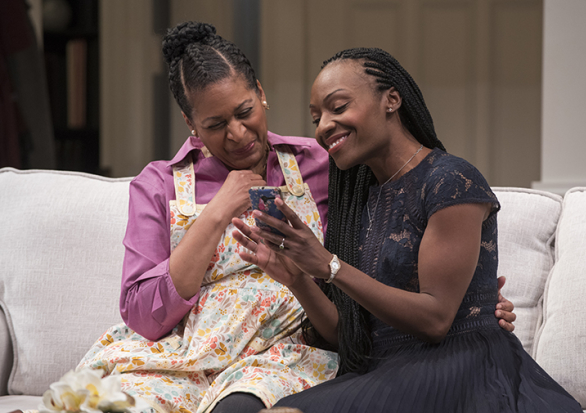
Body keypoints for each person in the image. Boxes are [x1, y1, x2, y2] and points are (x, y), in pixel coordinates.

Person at [77, 22, 516, 413]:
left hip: (287, 356)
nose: (237, 133)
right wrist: (215, 215)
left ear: (261, 93)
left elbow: (399, 237)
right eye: (214, 124)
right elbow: (143, 315)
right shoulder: (160, 184)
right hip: (183, 357)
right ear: (190, 123)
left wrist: (470, 305)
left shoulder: (326, 164)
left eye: (245, 111)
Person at [232, 47, 582, 412]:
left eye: (338, 108)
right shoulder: (358, 205)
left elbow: (435, 320)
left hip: (461, 369)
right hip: (389, 369)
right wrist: (297, 278)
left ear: (392, 100)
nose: (323, 127)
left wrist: (330, 266)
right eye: (316, 118)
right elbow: (346, 336)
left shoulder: (450, 180)